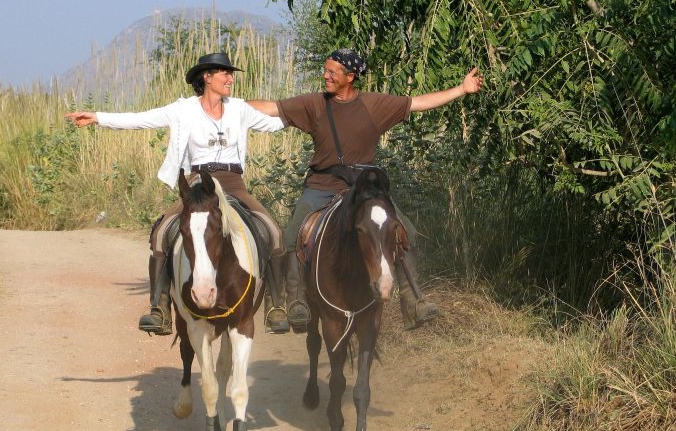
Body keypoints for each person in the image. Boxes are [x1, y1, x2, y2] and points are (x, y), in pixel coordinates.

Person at [249, 48, 483, 332]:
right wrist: (224, 104)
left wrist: (461, 89)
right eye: (325, 70)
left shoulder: (375, 105)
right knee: (291, 235)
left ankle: (413, 301)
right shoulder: (314, 104)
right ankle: (296, 302)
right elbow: (271, 107)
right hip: (321, 186)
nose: (325, 76)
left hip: (363, 189)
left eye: (332, 72)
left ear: (351, 76)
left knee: (403, 230)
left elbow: (419, 102)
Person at [66, 52, 291, 336]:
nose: (230, 78)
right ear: (206, 77)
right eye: (224, 73)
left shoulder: (238, 109)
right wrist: (97, 117)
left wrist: (309, 112)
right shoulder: (183, 110)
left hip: (233, 183)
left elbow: (274, 123)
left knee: (273, 231)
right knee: (161, 232)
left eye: (230, 73)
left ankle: (276, 304)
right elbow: (142, 119)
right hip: (196, 184)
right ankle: (159, 308)